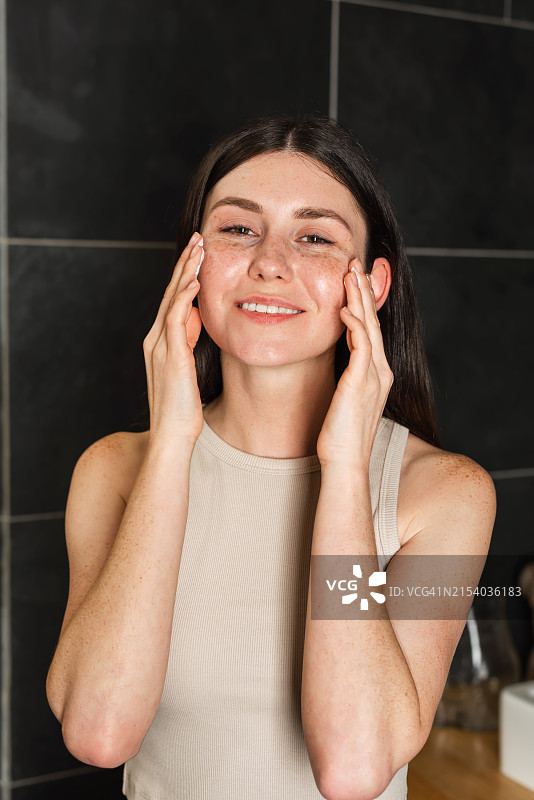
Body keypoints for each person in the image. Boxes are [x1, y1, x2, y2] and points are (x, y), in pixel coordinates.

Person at [46, 114, 496, 800]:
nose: (269, 262)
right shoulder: (113, 472)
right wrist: (171, 444)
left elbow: (352, 767)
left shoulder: (440, 496)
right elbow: (99, 733)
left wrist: (345, 467)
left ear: (372, 286)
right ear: (191, 261)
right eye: (238, 228)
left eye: (314, 236)